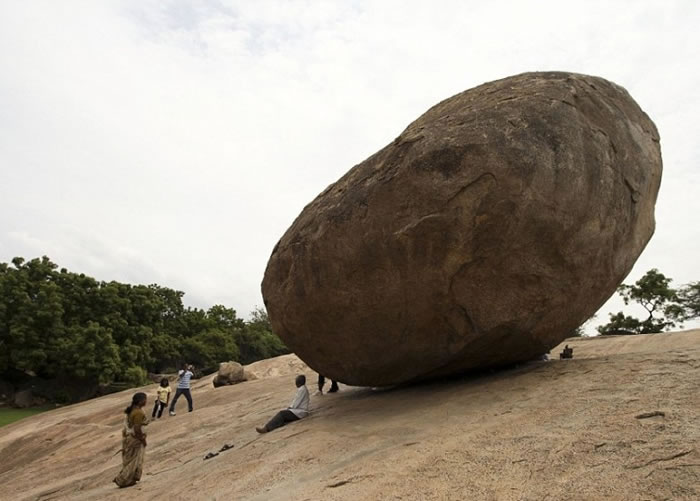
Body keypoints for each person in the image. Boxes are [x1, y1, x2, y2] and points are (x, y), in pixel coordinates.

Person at [114, 392, 148, 488]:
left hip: (128, 438)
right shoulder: (138, 412)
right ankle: (123, 479)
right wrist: (143, 440)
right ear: (140, 401)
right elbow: (137, 429)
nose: (146, 401)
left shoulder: (133, 410)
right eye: (145, 399)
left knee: (130, 459)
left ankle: (131, 479)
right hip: (135, 439)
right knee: (134, 460)